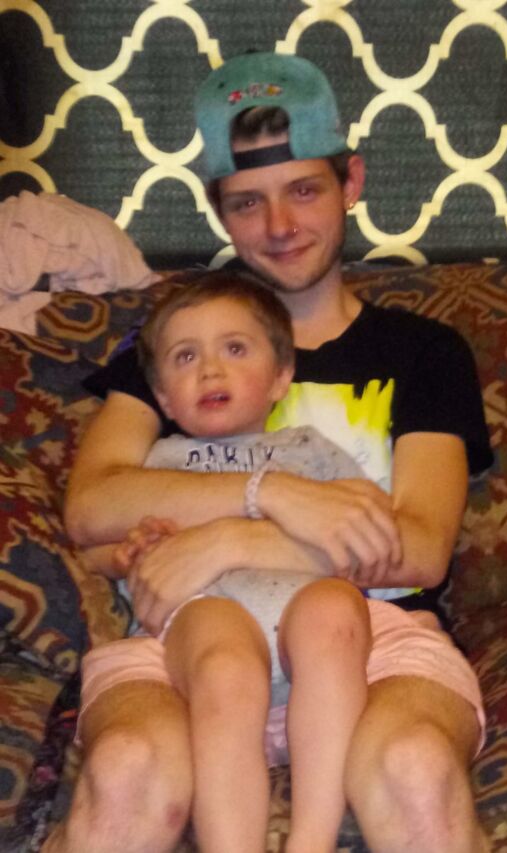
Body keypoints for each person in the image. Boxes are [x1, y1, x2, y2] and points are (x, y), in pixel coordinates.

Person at [47, 51, 494, 853]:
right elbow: (92, 505)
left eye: (304, 190)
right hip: (192, 638)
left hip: (374, 634)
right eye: (248, 201)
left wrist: (230, 535)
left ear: (351, 181)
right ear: (220, 211)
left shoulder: (424, 352)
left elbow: (421, 547)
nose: (280, 226)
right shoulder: (180, 346)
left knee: (416, 768)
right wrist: (276, 493)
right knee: (125, 768)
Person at [102, 274, 373, 850]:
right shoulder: (157, 464)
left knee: (334, 607)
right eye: (185, 356)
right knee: (225, 660)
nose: (210, 370)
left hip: (307, 633)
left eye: (234, 348)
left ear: (281, 376)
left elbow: (370, 531)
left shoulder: (312, 452)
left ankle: (312, 840)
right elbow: (113, 544)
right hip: (208, 616)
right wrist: (133, 550)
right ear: (164, 398)